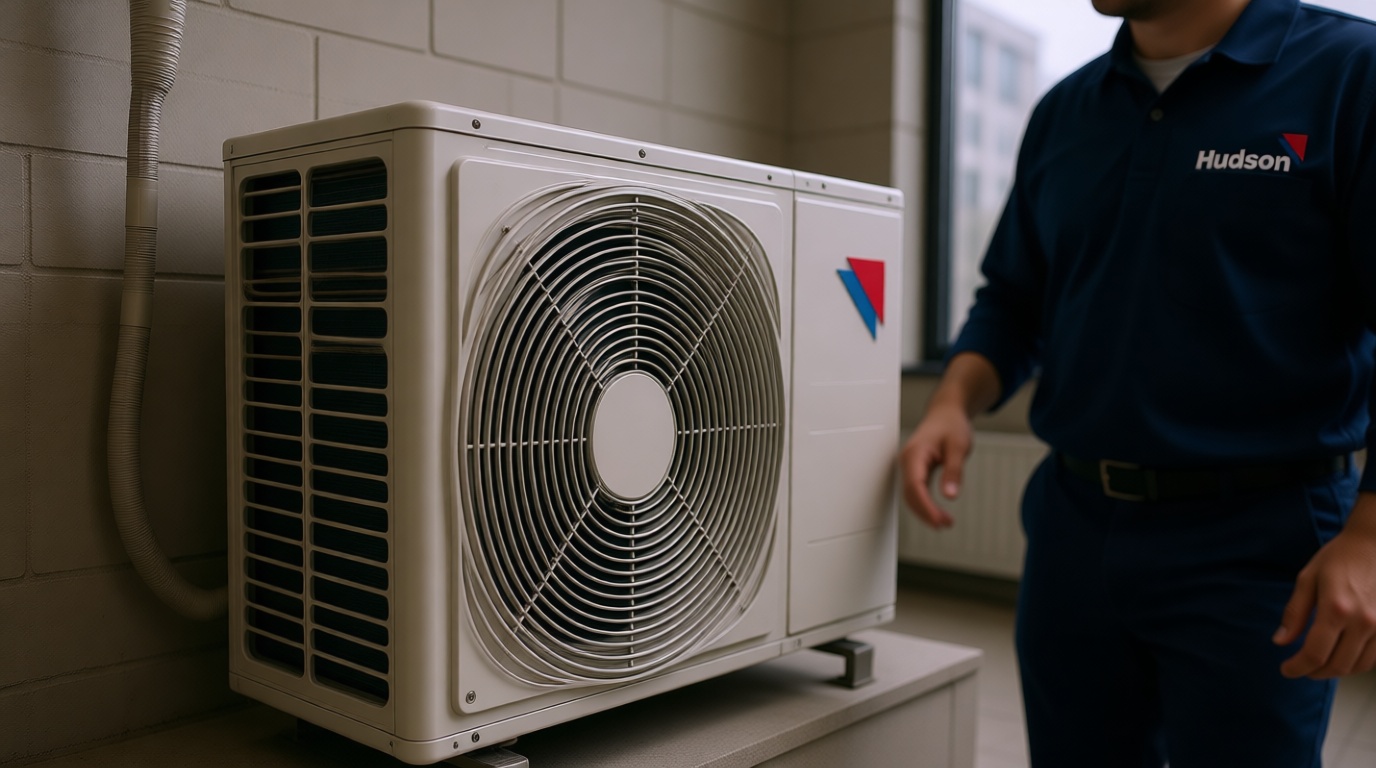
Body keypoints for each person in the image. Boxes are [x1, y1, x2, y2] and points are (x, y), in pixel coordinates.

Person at [901, 0, 1376, 765]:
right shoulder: (1065, 111)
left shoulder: (1351, 72)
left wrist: (1372, 534)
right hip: (1073, 532)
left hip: (1258, 544)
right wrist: (952, 402)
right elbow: (1013, 302)